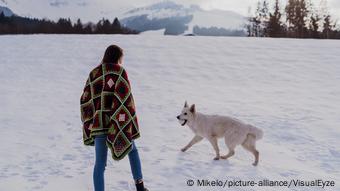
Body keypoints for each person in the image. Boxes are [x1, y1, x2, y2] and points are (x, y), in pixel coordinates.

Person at [80, 45, 148, 191]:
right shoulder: (120, 72)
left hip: (99, 125)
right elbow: (126, 99)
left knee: (100, 164)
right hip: (119, 123)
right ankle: (140, 186)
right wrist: (123, 120)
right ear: (118, 57)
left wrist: (91, 120)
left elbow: (85, 99)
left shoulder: (94, 73)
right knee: (133, 150)